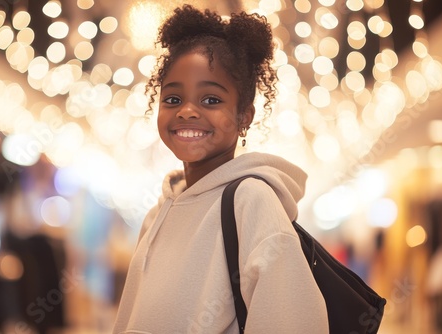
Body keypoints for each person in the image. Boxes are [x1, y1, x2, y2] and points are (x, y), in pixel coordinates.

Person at [113, 4, 328, 333]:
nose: (186, 111)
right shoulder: (159, 212)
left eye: (210, 100)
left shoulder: (251, 201)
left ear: (244, 116)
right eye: (172, 99)